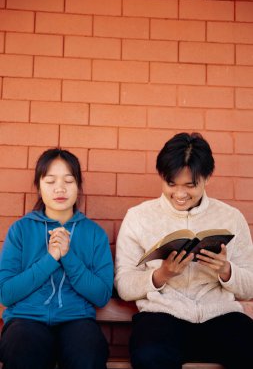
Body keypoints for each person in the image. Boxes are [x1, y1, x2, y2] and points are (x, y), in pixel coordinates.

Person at [114, 132, 253, 369]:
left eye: (190, 185)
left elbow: (249, 286)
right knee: (149, 357)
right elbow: (124, 286)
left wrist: (226, 271)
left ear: (207, 178)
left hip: (219, 315)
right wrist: (161, 275)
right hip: (162, 317)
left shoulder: (231, 218)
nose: (179, 195)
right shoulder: (138, 217)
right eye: (171, 184)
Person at [0, 148, 114, 369]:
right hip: (26, 320)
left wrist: (68, 256)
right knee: (22, 348)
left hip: (76, 320)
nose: (60, 188)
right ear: (39, 186)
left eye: (69, 181)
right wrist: (51, 258)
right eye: (50, 181)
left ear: (78, 186)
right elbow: (6, 294)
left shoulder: (94, 234)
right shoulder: (21, 230)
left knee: (88, 352)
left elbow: (101, 295)